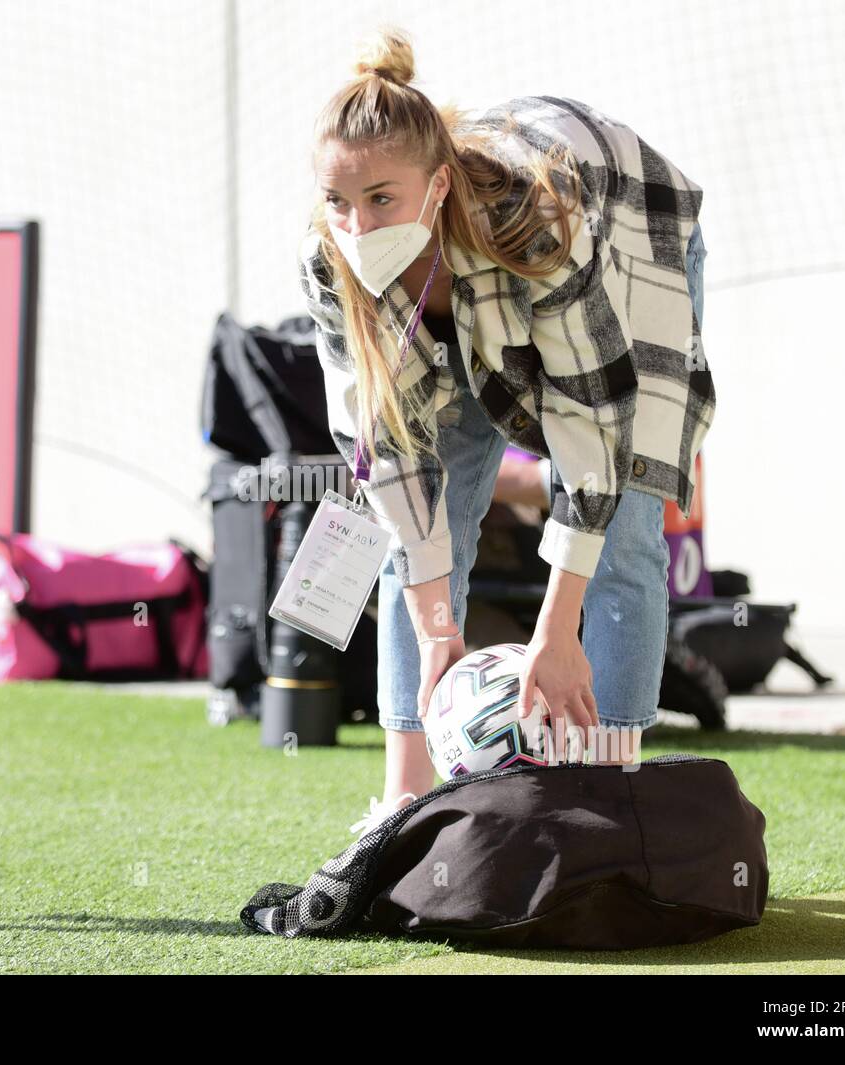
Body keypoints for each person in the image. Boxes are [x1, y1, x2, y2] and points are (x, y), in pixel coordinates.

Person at [297, 28, 714, 833]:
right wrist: (436, 627)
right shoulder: (329, 263)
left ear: (439, 183)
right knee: (420, 537)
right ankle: (404, 807)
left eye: (383, 197)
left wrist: (558, 633)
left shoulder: (537, 221)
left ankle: (611, 801)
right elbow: (393, 462)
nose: (357, 224)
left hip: (630, 231)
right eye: (339, 201)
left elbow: (594, 440)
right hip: (487, 278)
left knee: (625, 526)